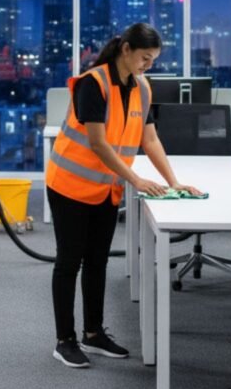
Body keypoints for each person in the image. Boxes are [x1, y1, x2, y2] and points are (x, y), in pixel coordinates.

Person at [46, 22, 201, 368]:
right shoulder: (92, 83)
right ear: (126, 49)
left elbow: (150, 139)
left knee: (97, 261)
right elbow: (98, 143)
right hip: (70, 185)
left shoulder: (142, 87)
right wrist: (136, 179)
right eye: (145, 58)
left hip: (105, 187)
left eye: (154, 59)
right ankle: (64, 340)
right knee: (69, 262)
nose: (149, 65)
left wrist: (173, 182)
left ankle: (93, 333)